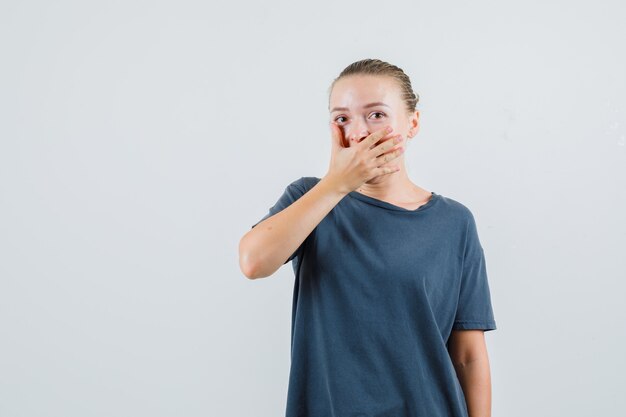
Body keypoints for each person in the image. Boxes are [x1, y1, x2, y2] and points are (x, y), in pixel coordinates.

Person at [239, 58, 497, 417]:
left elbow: (468, 355)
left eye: (376, 115)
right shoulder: (310, 200)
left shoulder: (454, 222)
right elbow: (253, 262)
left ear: (413, 123)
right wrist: (336, 185)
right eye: (342, 118)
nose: (359, 132)